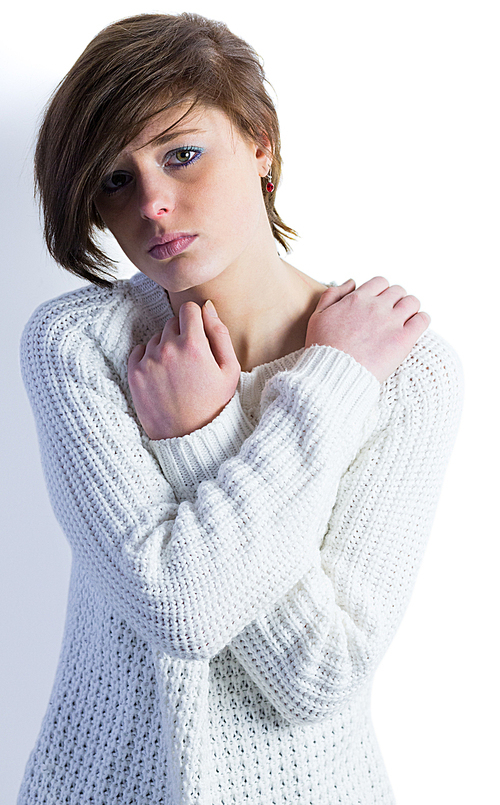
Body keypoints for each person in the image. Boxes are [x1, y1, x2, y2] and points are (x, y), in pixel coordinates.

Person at [18, 12, 463, 805]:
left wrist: (209, 429)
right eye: (116, 180)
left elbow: (320, 675)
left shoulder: (401, 369)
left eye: (181, 154)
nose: (153, 202)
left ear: (260, 141)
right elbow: (179, 609)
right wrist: (322, 394)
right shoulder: (76, 346)